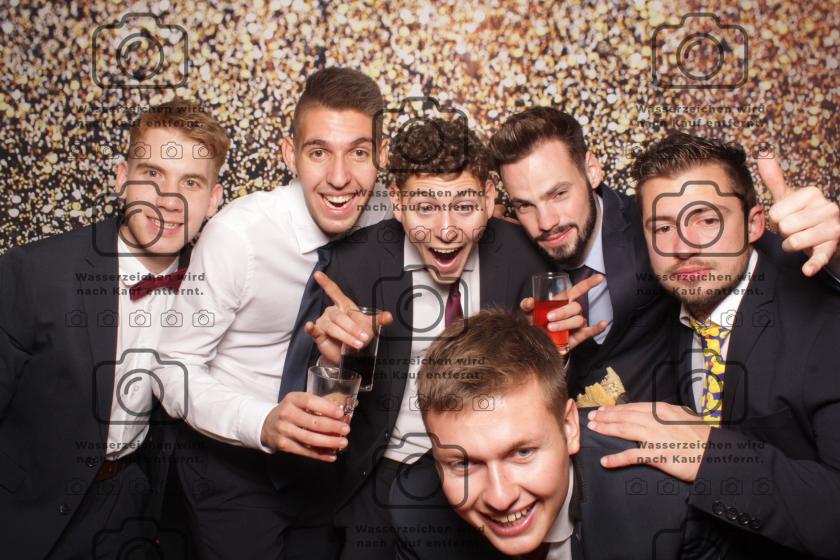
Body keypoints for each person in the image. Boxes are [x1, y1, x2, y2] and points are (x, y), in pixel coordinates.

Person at [304, 117, 604, 559]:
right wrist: (334, 365)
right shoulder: (355, 265)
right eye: (425, 208)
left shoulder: (527, 255)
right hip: (382, 472)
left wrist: (553, 349)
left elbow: (552, 398)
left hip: (494, 469)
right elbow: (318, 408)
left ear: (489, 198)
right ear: (397, 202)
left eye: (464, 206)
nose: (446, 231)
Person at [150, 67, 391, 559]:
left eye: (358, 153)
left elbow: (468, 216)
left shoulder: (390, 221)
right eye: (318, 152)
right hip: (232, 467)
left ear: (381, 156)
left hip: (327, 470)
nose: (339, 177)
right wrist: (262, 422)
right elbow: (171, 368)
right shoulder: (238, 235)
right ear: (289, 154)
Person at [588, 132, 840, 558]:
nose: (683, 248)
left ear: (754, 224)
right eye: (662, 227)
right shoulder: (669, 312)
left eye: (707, 220)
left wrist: (712, 456)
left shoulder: (821, 319)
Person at [0, 98, 227, 559]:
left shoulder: (217, 291)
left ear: (214, 199)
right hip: (24, 509)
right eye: (153, 174)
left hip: (129, 508)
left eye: (190, 182)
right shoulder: (34, 272)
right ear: (122, 178)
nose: (169, 199)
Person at [490, 107, 840, 403]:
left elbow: (747, 250)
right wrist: (543, 352)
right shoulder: (511, 257)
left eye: (559, 194)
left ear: (591, 170)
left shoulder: (655, 219)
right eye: (525, 205)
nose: (546, 222)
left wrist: (833, 251)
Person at [390, 309, 717, 559]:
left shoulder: (665, 507)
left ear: (569, 427)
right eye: (463, 464)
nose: (500, 498)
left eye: (522, 452)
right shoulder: (415, 514)